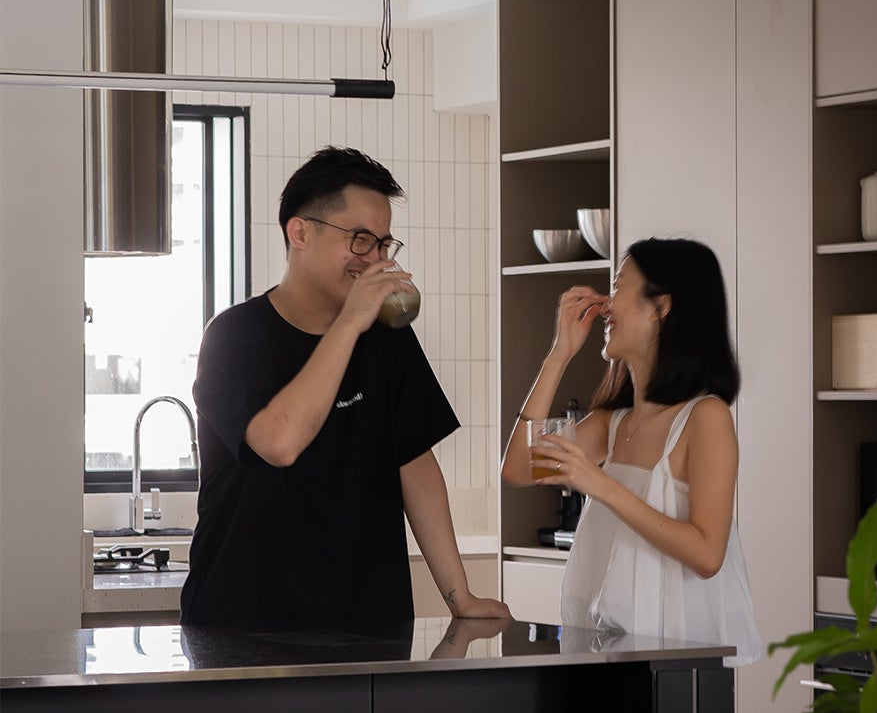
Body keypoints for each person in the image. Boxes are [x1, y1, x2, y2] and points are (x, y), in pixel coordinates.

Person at [184, 147, 510, 628]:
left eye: (383, 244)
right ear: (300, 233)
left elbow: (415, 465)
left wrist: (459, 597)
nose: (374, 260)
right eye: (360, 241)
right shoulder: (234, 337)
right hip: (244, 625)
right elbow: (280, 442)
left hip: (369, 622)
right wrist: (352, 322)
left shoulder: (386, 339)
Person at [500, 238, 761, 666]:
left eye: (618, 286)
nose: (605, 304)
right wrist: (559, 354)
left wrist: (599, 484)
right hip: (609, 647)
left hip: (678, 656)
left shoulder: (705, 417)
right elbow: (516, 469)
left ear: (661, 307)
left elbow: (708, 554)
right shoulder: (613, 422)